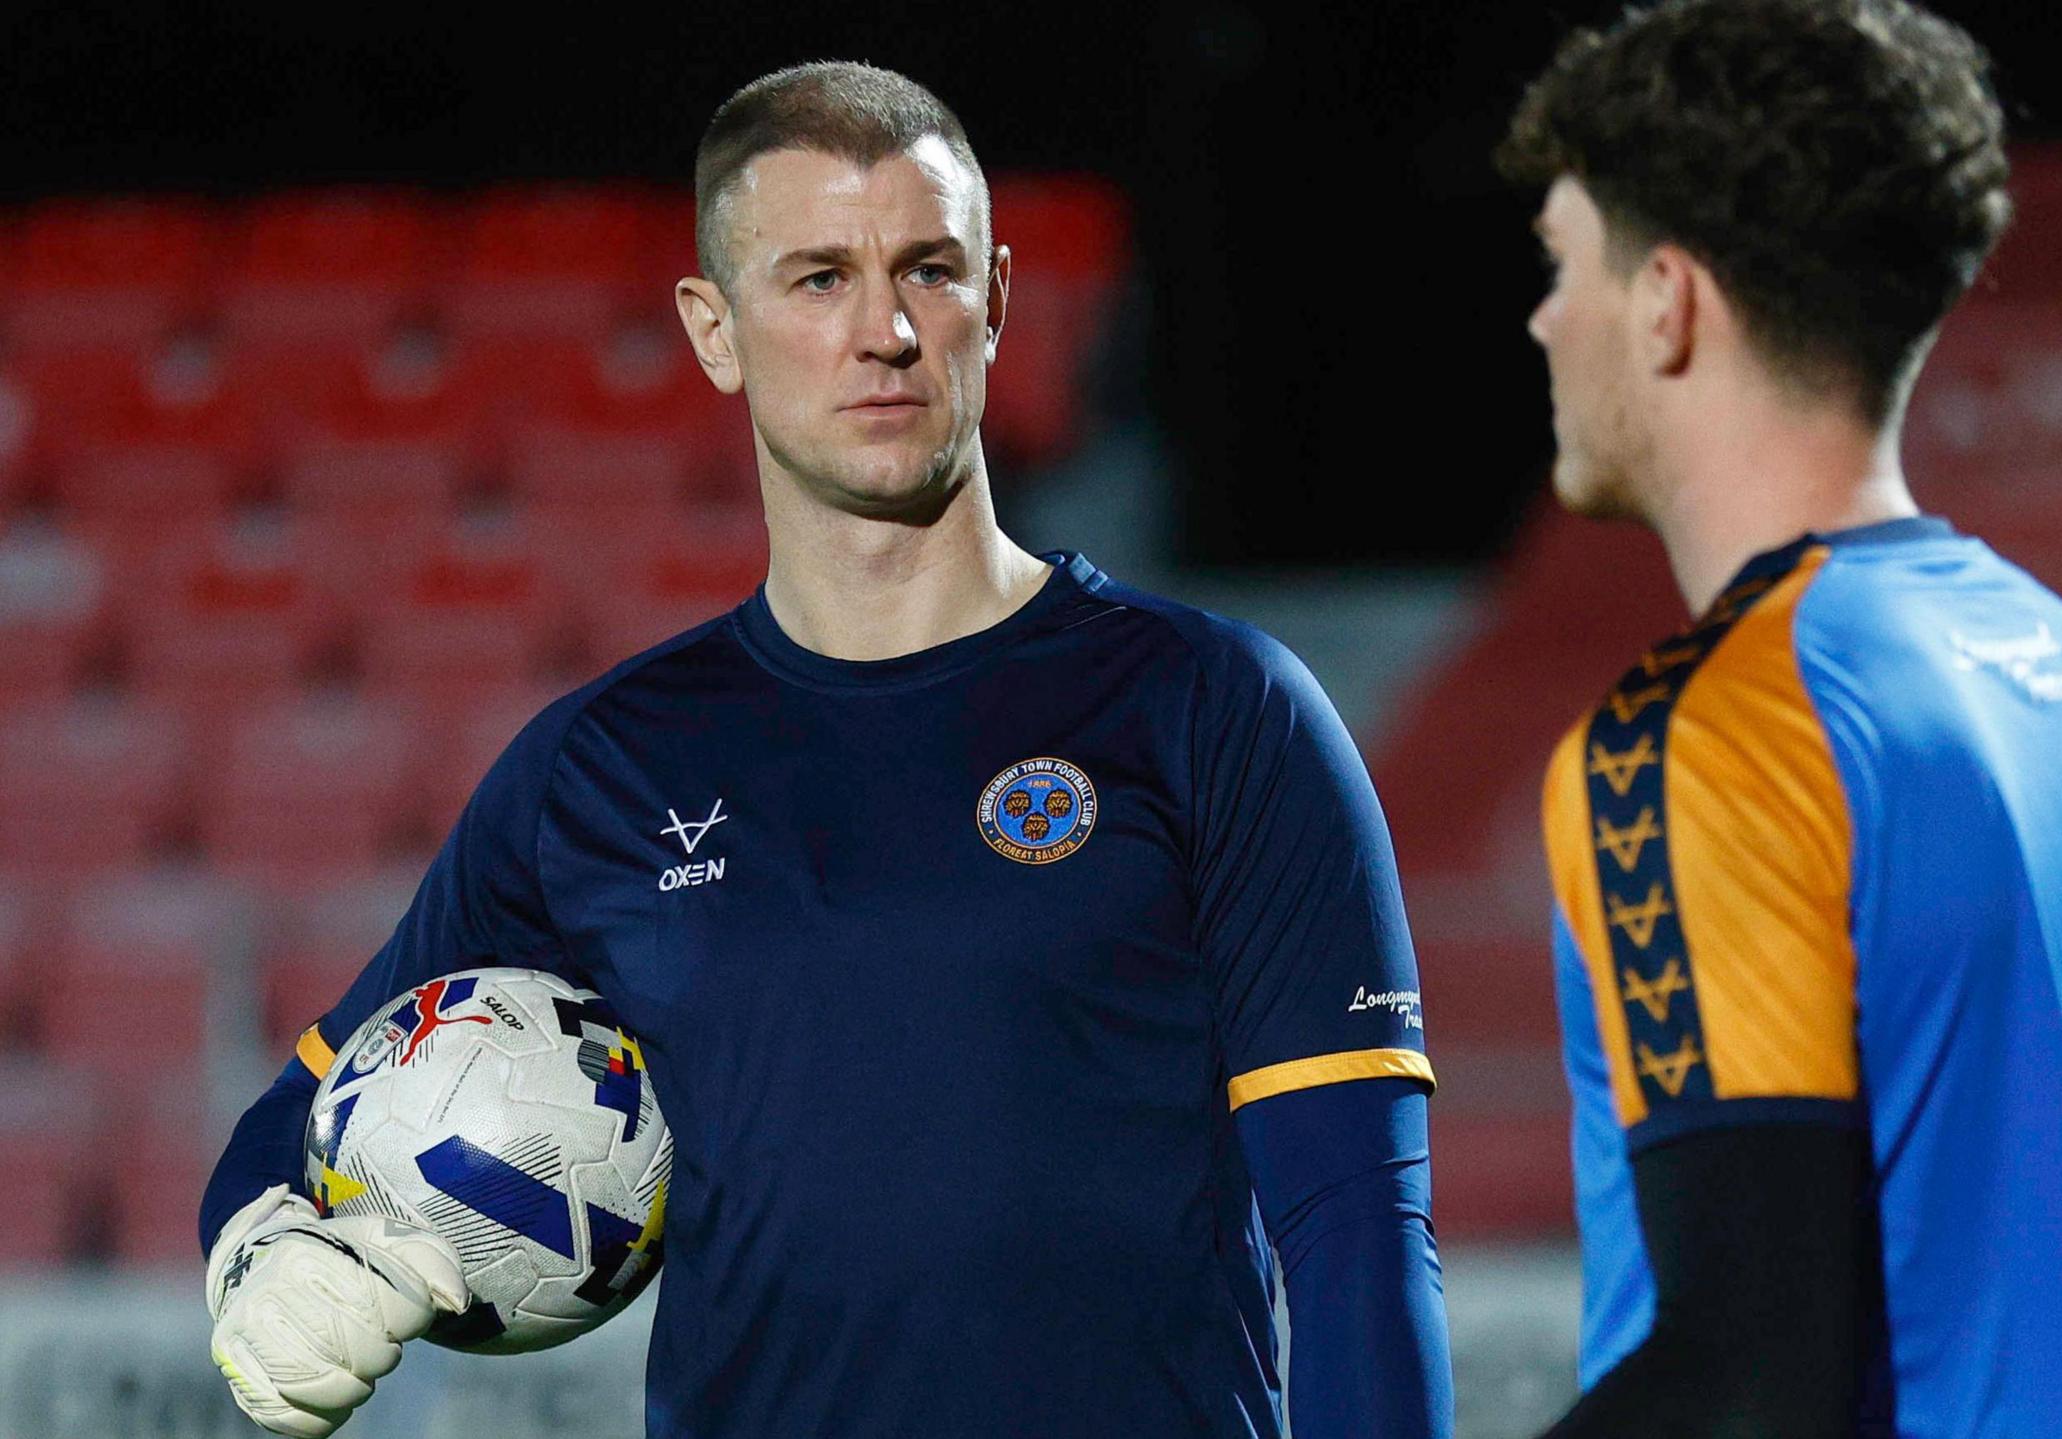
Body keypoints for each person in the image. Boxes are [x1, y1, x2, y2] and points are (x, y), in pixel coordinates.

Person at [198, 61, 1453, 1439]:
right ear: (714, 328)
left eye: (928, 269)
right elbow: (298, 1111)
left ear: (1000, 299)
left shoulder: (1217, 708)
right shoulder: (600, 770)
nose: (886, 332)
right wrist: (261, 1246)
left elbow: (1355, 1233)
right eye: (816, 279)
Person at [1498, 2, 2062, 1433]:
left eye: (1560, 261)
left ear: (1669, 301)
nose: (1541, 317)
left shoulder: (1707, 734)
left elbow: (1749, 1385)